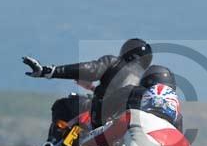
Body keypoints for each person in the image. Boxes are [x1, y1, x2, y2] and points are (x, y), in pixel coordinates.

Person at [22, 38, 152, 128]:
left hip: (98, 113)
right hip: (124, 125)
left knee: (62, 105)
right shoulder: (147, 79)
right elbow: (120, 96)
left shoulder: (115, 62)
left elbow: (91, 69)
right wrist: (92, 88)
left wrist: (50, 71)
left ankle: (54, 141)